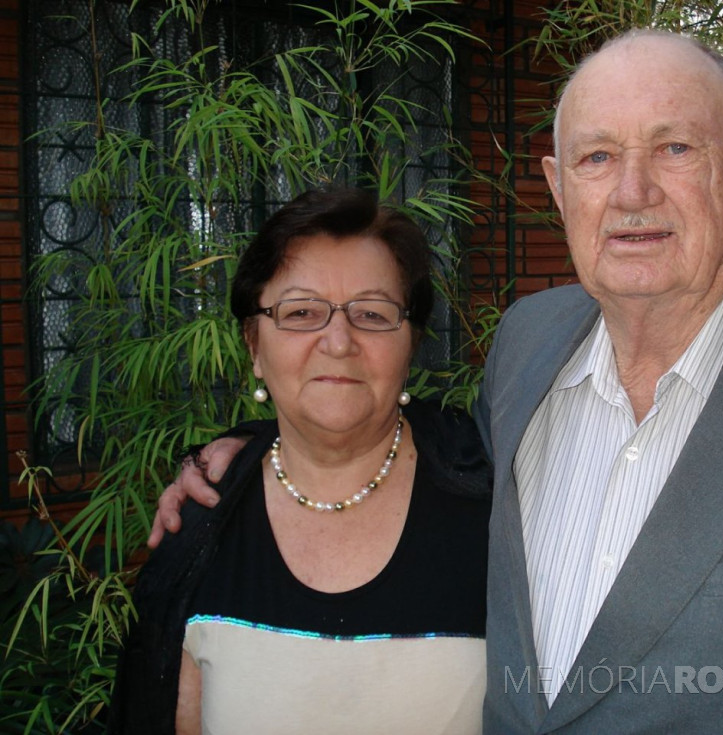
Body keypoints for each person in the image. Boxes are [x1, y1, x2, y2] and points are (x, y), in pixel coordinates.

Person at [154, 30, 723, 733]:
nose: (631, 192)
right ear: (557, 190)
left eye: (676, 147)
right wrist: (262, 449)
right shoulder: (526, 342)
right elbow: (411, 442)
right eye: (597, 156)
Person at [112, 186, 491, 734]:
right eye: (301, 312)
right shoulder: (202, 526)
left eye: (372, 312)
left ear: (411, 343)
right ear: (253, 346)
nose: (338, 341)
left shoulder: (493, 507)